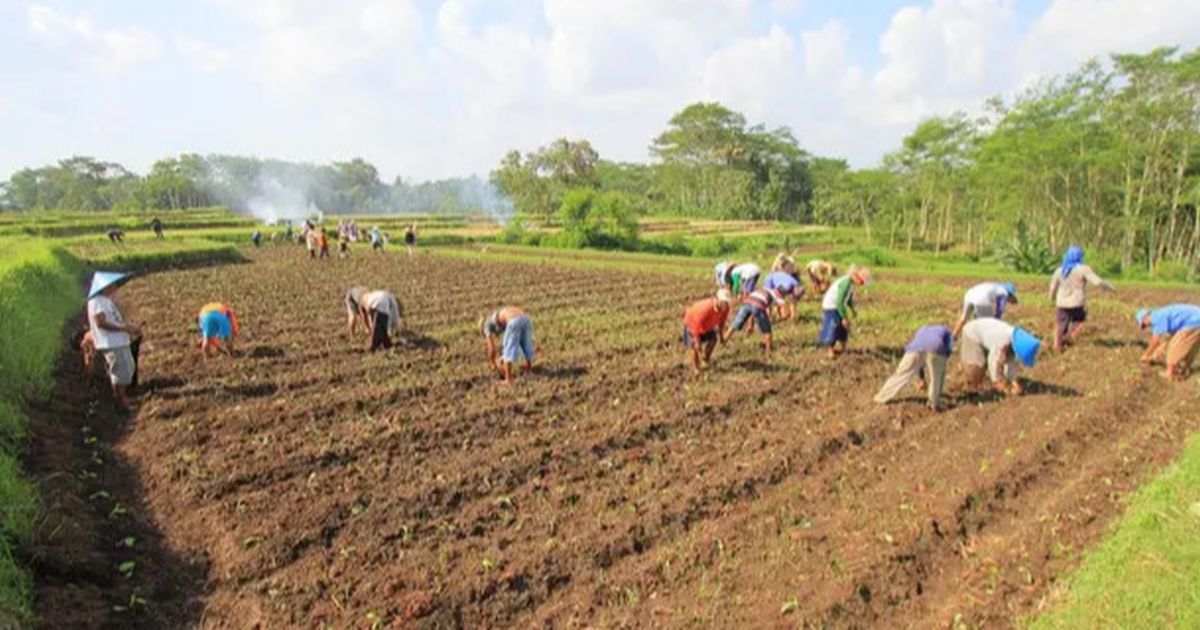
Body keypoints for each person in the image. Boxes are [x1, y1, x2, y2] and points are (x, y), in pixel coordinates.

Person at [86, 272, 141, 410]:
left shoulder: (105, 301)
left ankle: (121, 397)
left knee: (128, 369)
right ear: (105, 287)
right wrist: (125, 328)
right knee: (120, 372)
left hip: (118, 341)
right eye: (113, 285)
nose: (115, 287)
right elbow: (101, 323)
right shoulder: (97, 302)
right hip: (111, 342)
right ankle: (121, 401)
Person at [1048, 246, 1114, 351]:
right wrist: (1108, 286)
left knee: (1061, 324)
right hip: (1077, 302)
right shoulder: (1083, 269)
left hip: (1061, 303)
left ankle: (1057, 344)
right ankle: (1070, 336)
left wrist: (1051, 299)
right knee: (1080, 320)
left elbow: (1053, 288)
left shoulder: (1059, 271)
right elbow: (1097, 282)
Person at [874, 325, 953, 412]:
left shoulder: (922, 330)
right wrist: (941, 363)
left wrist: (921, 379)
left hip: (914, 349)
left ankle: (881, 396)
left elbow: (919, 361)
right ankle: (933, 404)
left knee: (900, 374)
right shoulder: (948, 333)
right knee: (936, 377)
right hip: (936, 347)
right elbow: (948, 350)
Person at [959, 318, 1041, 395]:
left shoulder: (1013, 341)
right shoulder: (1003, 341)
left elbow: (1010, 363)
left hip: (984, 335)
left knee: (983, 364)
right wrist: (998, 383)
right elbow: (993, 362)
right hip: (972, 333)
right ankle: (974, 388)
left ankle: (978, 386)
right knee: (978, 364)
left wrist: (1014, 382)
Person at [1136, 305, 1200, 381]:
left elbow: (1155, 341)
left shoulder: (1157, 318)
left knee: (1174, 345)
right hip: (1195, 319)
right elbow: (1166, 340)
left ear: (1145, 317)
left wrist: (1146, 355)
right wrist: (1154, 356)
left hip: (1194, 321)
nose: (1147, 326)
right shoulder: (1161, 315)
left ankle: (1170, 373)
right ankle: (1185, 369)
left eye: (1144, 324)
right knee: (1189, 345)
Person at [819, 265, 870, 358]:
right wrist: (844, 317)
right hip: (831, 306)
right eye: (862, 281)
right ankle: (830, 350)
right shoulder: (846, 283)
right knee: (833, 327)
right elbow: (839, 302)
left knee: (843, 328)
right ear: (855, 276)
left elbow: (848, 299)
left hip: (839, 305)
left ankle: (843, 349)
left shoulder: (851, 284)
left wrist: (852, 309)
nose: (862, 284)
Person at [682, 290, 733, 375]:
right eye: (723, 302)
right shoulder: (705, 309)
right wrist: (697, 341)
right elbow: (695, 325)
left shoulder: (725, 308)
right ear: (717, 299)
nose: (725, 305)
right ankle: (696, 369)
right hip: (692, 323)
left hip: (707, 325)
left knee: (713, 340)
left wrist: (721, 336)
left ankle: (706, 359)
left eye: (727, 302)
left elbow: (722, 322)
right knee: (695, 347)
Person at [724, 287, 782, 360]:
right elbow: (759, 308)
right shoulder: (775, 297)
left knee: (734, 325)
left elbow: (752, 310)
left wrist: (751, 325)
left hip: (746, 303)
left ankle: (723, 341)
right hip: (758, 306)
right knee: (768, 331)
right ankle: (768, 353)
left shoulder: (764, 289)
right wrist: (777, 319)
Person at [481, 307, 535, 383]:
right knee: (525, 344)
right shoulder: (498, 315)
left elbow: (491, 348)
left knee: (508, 349)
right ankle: (528, 367)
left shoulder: (486, 326)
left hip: (514, 320)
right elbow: (516, 340)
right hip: (525, 318)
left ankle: (508, 379)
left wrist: (492, 363)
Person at [953, 281, 1019, 339]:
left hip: (969, 295)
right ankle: (980, 341)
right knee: (984, 323)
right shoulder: (1004, 292)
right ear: (1010, 294)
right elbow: (1000, 309)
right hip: (982, 298)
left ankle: (954, 336)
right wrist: (996, 321)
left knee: (964, 318)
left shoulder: (995, 287)